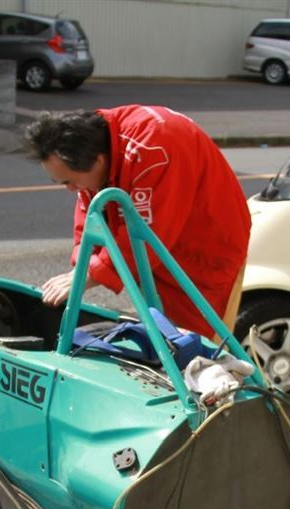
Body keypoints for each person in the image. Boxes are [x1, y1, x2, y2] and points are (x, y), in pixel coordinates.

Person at [24, 106, 250, 338]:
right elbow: (91, 212)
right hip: (156, 254)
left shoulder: (154, 146)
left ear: (98, 161)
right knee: (161, 341)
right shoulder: (94, 144)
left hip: (204, 252)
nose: (70, 189)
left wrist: (90, 274)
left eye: (70, 182)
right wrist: (82, 264)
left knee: (200, 354)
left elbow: (146, 234)